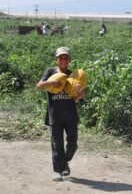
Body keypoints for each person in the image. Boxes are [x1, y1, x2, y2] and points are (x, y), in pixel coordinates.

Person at [36, 47, 85, 181]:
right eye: (61, 57)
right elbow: (39, 85)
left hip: (70, 115)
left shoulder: (72, 74)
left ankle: (65, 161)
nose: (63, 60)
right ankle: (58, 171)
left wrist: (80, 92)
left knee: (73, 144)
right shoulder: (50, 71)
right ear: (56, 59)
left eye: (66, 57)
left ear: (69, 60)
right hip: (55, 115)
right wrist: (51, 82)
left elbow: (77, 97)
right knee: (57, 144)